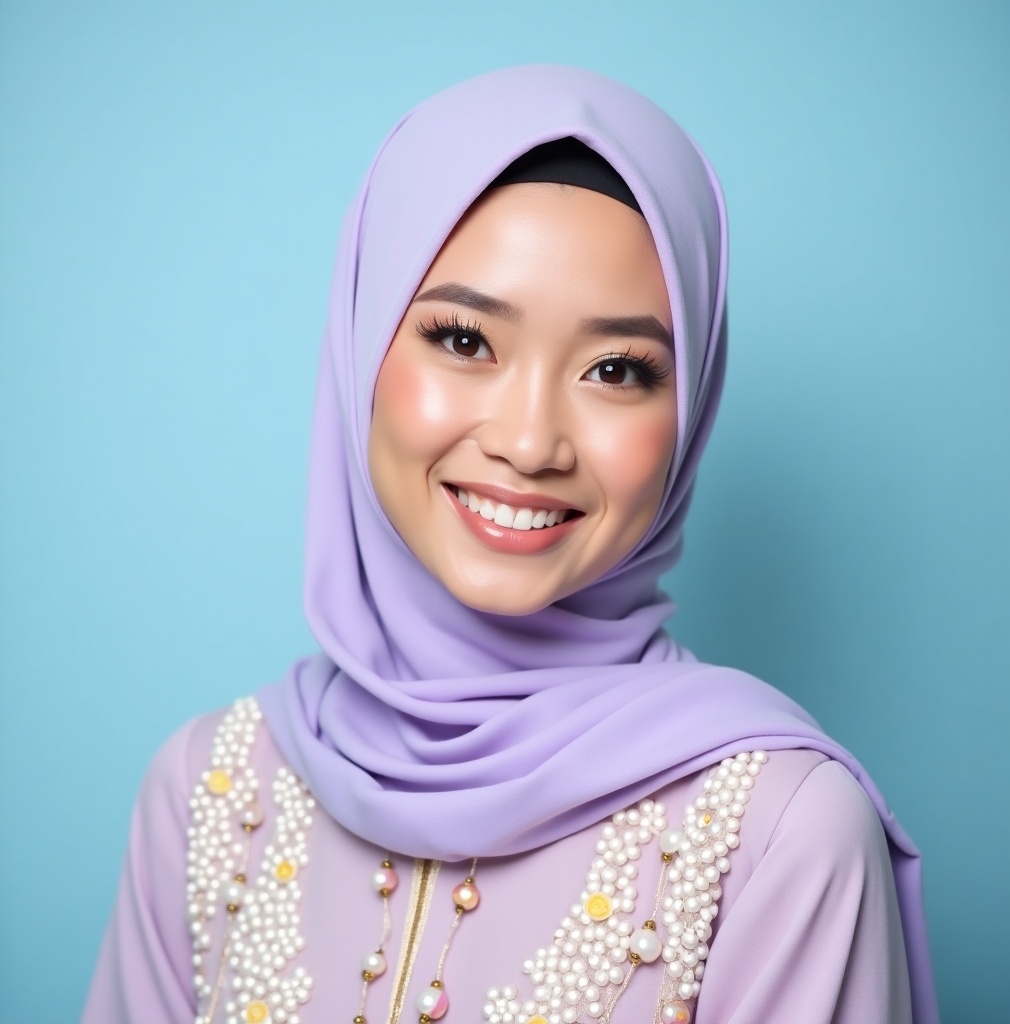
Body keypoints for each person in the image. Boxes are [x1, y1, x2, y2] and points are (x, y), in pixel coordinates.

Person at [83, 66, 938, 1024]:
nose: (530, 443)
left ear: (690, 409)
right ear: (363, 342)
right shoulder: (208, 792)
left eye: (615, 369)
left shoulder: (784, 834)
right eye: (464, 340)